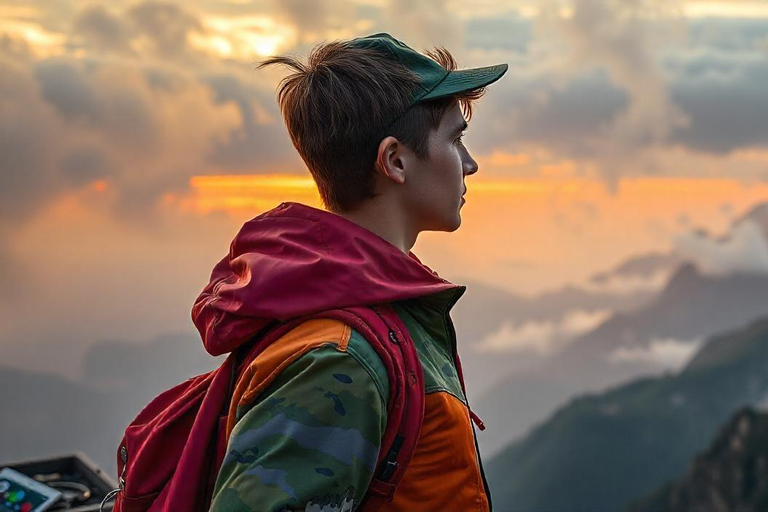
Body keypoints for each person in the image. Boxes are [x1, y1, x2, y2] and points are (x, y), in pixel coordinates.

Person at [194, 32, 508, 511]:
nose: (471, 164)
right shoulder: (340, 361)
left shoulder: (376, 313)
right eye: (456, 140)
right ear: (394, 160)